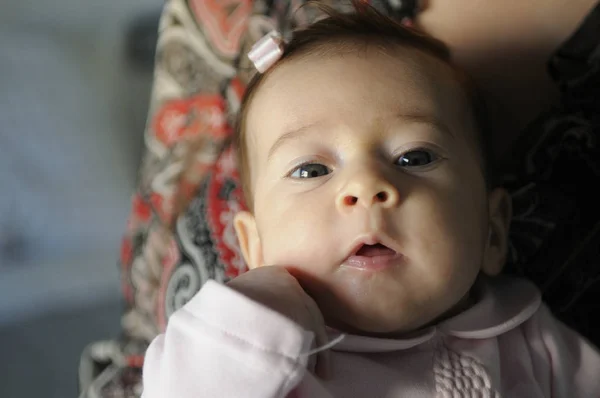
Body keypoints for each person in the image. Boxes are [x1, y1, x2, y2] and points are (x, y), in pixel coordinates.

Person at [141, 3, 600, 397]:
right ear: (254, 247)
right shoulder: (259, 359)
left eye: (414, 156)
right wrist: (244, 320)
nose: (365, 186)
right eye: (311, 170)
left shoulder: (531, 340)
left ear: (493, 229)